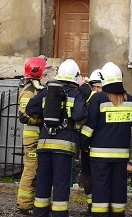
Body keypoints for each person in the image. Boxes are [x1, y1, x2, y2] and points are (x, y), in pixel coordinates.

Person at [80, 63, 132, 217]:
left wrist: (84, 144)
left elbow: (89, 126)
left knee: (100, 186)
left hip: (99, 156)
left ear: (104, 80)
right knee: (118, 187)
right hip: (120, 156)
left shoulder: (98, 99)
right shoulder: (129, 100)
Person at [25, 59, 87, 217]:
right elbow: (80, 116)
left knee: (43, 179)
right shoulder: (75, 94)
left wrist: (45, 115)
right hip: (64, 146)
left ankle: (40, 211)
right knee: (61, 181)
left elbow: (30, 108)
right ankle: (59, 214)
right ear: (75, 77)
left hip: (45, 143)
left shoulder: (47, 91)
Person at [16, 56, 53, 215]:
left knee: (41, 170)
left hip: (40, 136)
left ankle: (39, 203)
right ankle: (24, 205)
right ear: (38, 73)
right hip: (33, 138)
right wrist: (43, 117)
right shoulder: (29, 92)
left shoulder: (38, 89)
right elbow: (25, 116)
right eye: (45, 71)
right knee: (31, 169)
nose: (48, 74)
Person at [77, 69, 104, 216]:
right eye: (96, 87)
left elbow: (94, 97)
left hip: (97, 144)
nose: (98, 90)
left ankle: (97, 206)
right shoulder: (88, 96)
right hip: (88, 144)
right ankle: (91, 206)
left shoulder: (93, 95)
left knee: (97, 176)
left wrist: (84, 87)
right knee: (87, 176)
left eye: (100, 87)